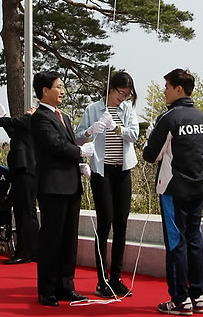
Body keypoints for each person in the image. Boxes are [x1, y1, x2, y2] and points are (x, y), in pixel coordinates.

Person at [143, 69, 203, 316]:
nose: (164, 92)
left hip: (172, 189)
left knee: (176, 243)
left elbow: (151, 155)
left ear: (178, 89)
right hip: (197, 187)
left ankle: (180, 300)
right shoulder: (201, 117)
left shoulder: (169, 118)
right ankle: (198, 295)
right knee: (194, 240)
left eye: (167, 87)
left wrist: (150, 138)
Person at [30, 70, 93, 307]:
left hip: (71, 184)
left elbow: (67, 143)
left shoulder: (63, 116)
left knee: (69, 240)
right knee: (51, 239)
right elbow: (54, 145)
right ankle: (47, 289)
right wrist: (79, 152)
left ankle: (66, 285)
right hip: (53, 186)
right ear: (45, 90)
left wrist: (79, 164)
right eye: (58, 87)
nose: (62, 91)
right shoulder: (40, 117)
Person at [76, 70, 139, 299]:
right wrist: (92, 130)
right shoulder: (93, 109)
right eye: (121, 93)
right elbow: (78, 137)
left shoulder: (128, 110)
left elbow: (134, 135)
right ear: (111, 89)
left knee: (121, 224)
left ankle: (116, 278)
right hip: (101, 172)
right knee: (105, 224)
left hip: (123, 171)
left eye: (127, 94)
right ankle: (101, 280)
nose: (123, 98)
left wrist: (116, 128)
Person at [0, 101, 39, 264]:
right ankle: (33, 251)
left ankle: (24, 252)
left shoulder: (32, 120)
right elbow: (14, 132)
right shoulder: (25, 127)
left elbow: (21, 122)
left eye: (34, 108)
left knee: (24, 213)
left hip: (25, 170)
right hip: (23, 171)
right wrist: (4, 118)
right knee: (27, 212)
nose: (30, 109)